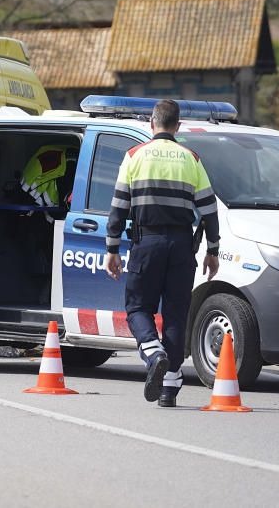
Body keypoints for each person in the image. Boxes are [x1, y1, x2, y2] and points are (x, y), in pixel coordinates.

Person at [105, 100, 220, 408]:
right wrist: (213, 250)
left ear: (151, 123)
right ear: (177, 126)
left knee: (137, 307)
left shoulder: (134, 156)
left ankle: (153, 352)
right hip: (182, 247)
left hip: (147, 243)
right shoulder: (191, 159)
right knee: (175, 314)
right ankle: (169, 388)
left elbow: (118, 206)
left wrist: (112, 248)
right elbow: (208, 209)